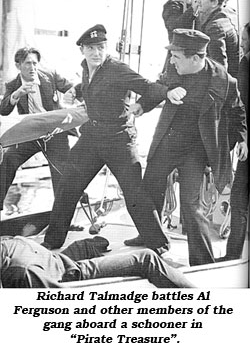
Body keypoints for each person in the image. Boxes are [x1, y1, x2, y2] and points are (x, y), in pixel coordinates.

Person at [42, 24, 170, 252]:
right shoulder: (86, 67)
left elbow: (153, 88)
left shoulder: (117, 69)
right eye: (91, 48)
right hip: (91, 137)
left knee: (134, 193)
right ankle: (52, 242)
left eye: (100, 47)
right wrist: (77, 90)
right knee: (67, 186)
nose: (96, 53)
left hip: (119, 138)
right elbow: (97, 86)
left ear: (106, 48)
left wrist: (142, 104)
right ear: (82, 49)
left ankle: (158, 243)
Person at [126, 29, 247, 267]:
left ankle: (202, 263)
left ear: (196, 58)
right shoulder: (174, 69)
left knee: (191, 207)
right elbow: (158, 86)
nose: (172, 61)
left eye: (177, 57)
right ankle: (154, 239)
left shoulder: (224, 80)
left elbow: (237, 110)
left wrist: (242, 137)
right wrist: (145, 103)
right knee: (147, 191)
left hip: (197, 150)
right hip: (168, 141)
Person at [0, 47, 77, 214]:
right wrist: (16, 95)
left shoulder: (50, 76)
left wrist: (74, 96)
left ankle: (63, 217)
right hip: (30, 133)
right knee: (8, 160)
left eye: (35, 63)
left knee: (61, 173)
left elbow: (73, 89)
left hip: (54, 132)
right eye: (28, 63)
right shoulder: (13, 84)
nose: (33, 67)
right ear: (18, 65)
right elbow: (3, 110)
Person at [0, 236, 195, 288]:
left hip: (55, 261)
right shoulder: (21, 270)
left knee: (147, 258)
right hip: (67, 271)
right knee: (146, 258)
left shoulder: (14, 258)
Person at [222, 22, 249, 260]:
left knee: (239, 199)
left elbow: (241, 106)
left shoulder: (245, 64)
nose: (241, 44)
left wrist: (238, 140)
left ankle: (232, 256)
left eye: (244, 39)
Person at [177, 0, 239, 78]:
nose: (198, 2)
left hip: (224, 83)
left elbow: (219, 67)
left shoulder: (214, 28)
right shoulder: (224, 14)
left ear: (214, 3)